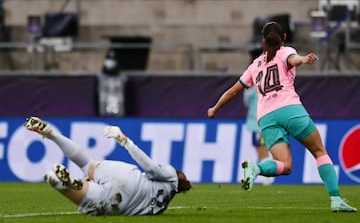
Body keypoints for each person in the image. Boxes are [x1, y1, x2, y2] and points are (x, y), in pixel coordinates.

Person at [207, 22, 357, 212]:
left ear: (263, 41)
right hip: (289, 109)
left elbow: (232, 92)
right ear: (284, 38)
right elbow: (293, 59)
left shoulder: (254, 66)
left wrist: (215, 108)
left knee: (284, 166)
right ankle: (336, 199)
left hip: (266, 118)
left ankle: (257, 169)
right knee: (320, 151)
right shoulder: (284, 51)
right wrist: (303, 59)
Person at [24, 116, 191, 216]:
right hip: (121, 205)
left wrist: (125, 142)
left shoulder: (170, 175)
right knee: (84, 196)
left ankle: (51, 134)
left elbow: (152, 168)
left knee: (86, 163)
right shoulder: (161, 207)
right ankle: (62, 183)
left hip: (129, 178)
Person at [243, 86, 273, 185]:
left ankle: (267, 180)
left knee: (262, 152)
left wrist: (249, 87)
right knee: (261, 151)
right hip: (263, 122)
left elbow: (246, 101)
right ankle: (267, 179)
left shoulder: (254, 87)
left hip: (258, 124)